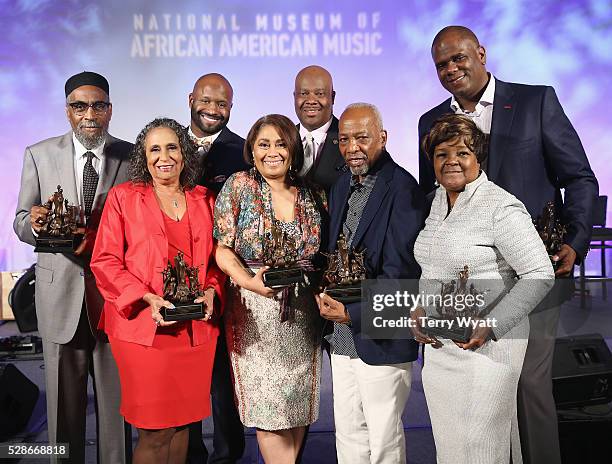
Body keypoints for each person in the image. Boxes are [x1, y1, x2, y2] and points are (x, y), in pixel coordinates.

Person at [417, 26, 598, 464]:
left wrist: (575, 240)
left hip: (535, 269)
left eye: (459, 58)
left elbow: (578, 178)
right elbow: (434, 200)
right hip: (469, 281)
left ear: (480, 53)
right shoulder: (431, 121)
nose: (452, 69)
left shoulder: (537, 101)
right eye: (442, 64)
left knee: (529, 385)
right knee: (480, 394)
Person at [413, 113, 555, 463]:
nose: (451, 162)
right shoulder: (437, 201)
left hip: (490, 350)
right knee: (451, 451)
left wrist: (491, 325)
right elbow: (434, 264)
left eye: (462, 153)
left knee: (482, 450)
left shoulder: (500, 206)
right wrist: (419, 308)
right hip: (441, 349)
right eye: (441, 154)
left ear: (478, 157)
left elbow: (540, 272)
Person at [90, 118, 226, 464]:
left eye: (172, 147)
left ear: (184, 154)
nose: (163, 157)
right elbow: (104, 261)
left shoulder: (205, 199)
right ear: (144, 157)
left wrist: (212, 290)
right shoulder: (123, 198)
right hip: (142, 330)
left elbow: (217, 261)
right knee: (155, 431)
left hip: (195, 332)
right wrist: (146, 297)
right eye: (154, 149)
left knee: (183, 426)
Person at [13, 71, 130, 464]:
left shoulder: (132, 157)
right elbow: (19, 220)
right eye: (79, 106)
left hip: (114, 301)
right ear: (68, 112)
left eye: (98, 105)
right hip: (58, 295)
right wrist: (35, 223)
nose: (89, 114)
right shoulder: (39, 154)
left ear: (110, 110)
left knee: (117, 412)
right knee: (63, 413)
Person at [316, 103, 426, 463]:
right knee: (347, 432)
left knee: (383, 437)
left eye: (362, 137)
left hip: (379, 331)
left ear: (383, 138)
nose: (352, 148)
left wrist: (353, 313)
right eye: (344, 139)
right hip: (342, 335)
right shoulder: (342, 185)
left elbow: (403, 274)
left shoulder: (403, 188)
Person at [214, 114, 324, 464]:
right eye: (264, 144)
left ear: (293, 149)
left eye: (280, 143)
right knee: (269, 414)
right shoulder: (238, 186)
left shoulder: (311, 193)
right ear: (252, 149)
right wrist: (248, 282)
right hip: (254, 317)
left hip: (303, 317)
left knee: (295, 410)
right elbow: (222, 249)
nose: (272, 152)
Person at [187, 72, 248, 463]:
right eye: (207, 101)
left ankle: (229, 456)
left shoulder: (243, 151)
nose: (213, 109)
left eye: (222, 104)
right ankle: (188, 454)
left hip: (227, 277)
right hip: (177, 278)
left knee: (224, 381)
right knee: (184, 375)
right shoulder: (166, 143)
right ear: (191, 98)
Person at [294, 65, 345, 192]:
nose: (311, 100)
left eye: (319, 94)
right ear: (295, 97)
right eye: (304, 93)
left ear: (332, 97)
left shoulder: (350, 139)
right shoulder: (282, 139)